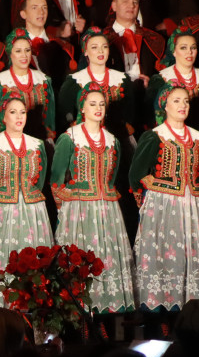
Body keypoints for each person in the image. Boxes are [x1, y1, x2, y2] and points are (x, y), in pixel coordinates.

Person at [130, 83, 199, 310]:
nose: (183, 105)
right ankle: (163, 311)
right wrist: (150, 200)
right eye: (176, 100)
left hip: (193, 205)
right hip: (164, 205)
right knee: (165, 254)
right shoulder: (154, 136)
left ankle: (192, 309)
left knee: (193, 254)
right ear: (164, 105)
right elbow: (137, 174)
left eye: (186, 101)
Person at [50, 84, 136, 313]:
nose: (98, 108)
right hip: (79, 208)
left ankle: (106, 313)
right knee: (80, 260)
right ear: (83, 108)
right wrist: (62, 207)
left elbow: (113, 175)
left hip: (107, 209)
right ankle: (80, 315)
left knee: (106, 259)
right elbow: (56, 178)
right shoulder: (70, 137)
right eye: (92, 104)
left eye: (101, 104)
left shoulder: (112, 140)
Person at [0, 93, 53, 306]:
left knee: (33, 264)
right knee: (2, 263)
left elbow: (40, 180)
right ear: (3, 117)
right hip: (1, 212)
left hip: (33, 213)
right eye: (13, 112)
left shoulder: (37, 145)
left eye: (23, 112)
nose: (19, 117)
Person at [0, 29, 56, 139]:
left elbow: (49, 120)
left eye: (27, 50)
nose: (24, 55)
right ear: (10, 53)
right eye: (18, 51)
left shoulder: (43, 80)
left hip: (38, 141)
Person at [57, 27, 132, 136]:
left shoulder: (122, 79)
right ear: (86, 51)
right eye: (94, 47)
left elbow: (129, 114)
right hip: (83, 138)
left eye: (104, 47)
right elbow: (65, 116)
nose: (100, 51)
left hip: (117, 138)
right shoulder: (74, 81)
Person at [146, 28, 199, 137]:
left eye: (193, 47)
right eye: (183, 48)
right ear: (173, 51)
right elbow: (150, 116)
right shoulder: (160, 79)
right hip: (170, 137)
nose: (189, 52)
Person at [106, 0, 166, 97]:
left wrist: (152, 84)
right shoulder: (102, 39)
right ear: (114, 6)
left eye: (135, 2)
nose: (131, 5)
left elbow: (166, 74)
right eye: (125, 1)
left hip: (147, 97)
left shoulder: (154, 39)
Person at [17, 0, 77, 90]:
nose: (41, 12)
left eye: (44, 7)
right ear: (23, 14)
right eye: (34, 8)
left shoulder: (63, 47)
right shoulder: (12, 48)